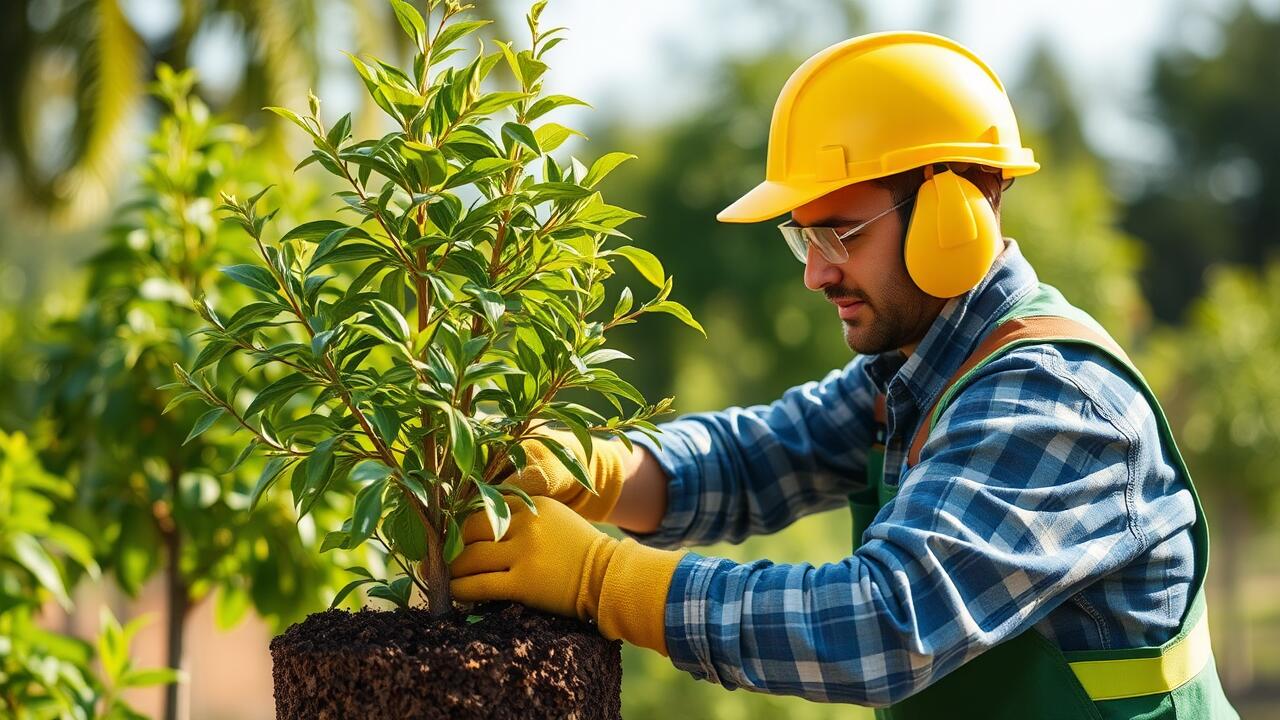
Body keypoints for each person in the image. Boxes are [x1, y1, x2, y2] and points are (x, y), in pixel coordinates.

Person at [448, 31, 1238, 718]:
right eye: (805, 240)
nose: (816, 276)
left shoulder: (1051, 400)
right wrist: (601, 468)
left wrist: (604, 579)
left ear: (956, 209)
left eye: (840, 234)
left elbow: (883, 624)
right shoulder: (924, 366)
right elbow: (757, 458)